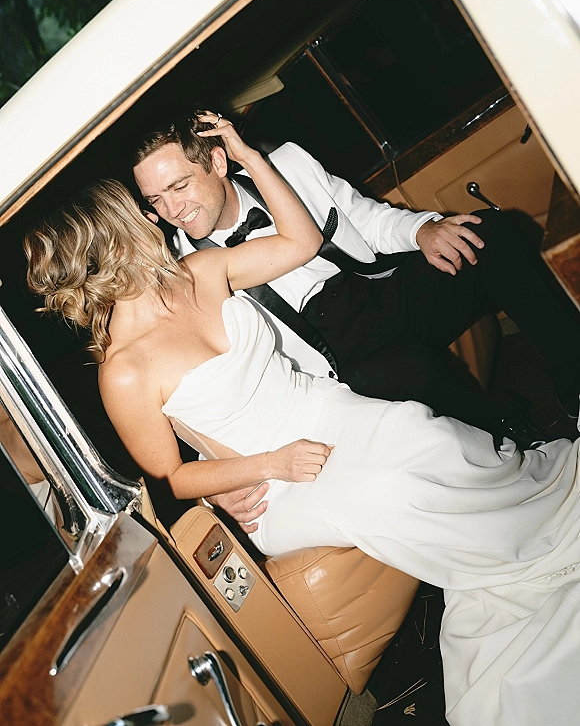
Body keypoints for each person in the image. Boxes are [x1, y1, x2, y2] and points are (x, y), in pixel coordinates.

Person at [25, 116, 580, 726]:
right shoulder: (122, 373)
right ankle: (520, 568)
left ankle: (545, 498)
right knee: (390, 489)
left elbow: (304, 241)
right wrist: (270, 464)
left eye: (166, 196)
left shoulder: (199, 273)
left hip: (323, 398)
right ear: (113, 243)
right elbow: (170, 478)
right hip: (279, 477)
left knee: (428, 437)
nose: (158, 216)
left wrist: (249, 157)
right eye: (144, 210)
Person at [132, 111, 580, 529]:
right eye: (156, 199)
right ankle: (508, 437)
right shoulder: (181, 274)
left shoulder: (287, 163)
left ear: (217, 160)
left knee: (488, 235)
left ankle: (574, 387)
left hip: (376, 293)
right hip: (328, 362)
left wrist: (422, 230)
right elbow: (190, 393)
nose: (173, 210)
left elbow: (365, 218)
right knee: (409, 372)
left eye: (180, 186)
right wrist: (217, 490)